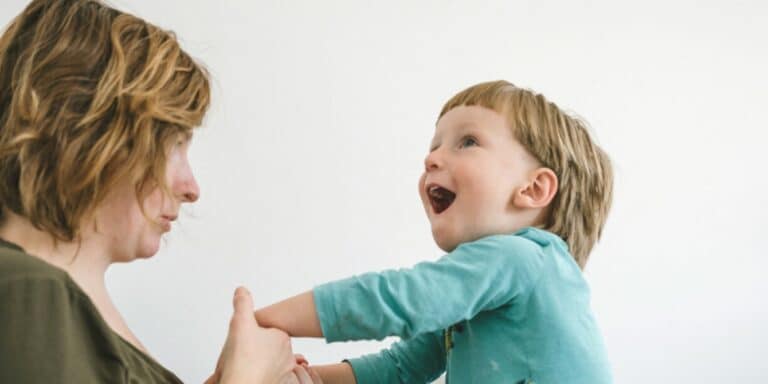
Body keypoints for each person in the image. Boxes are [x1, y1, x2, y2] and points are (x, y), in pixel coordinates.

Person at [0, 1, 317, 382]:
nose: (191, 188)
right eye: (173, 146)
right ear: (93, 134)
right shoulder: (27, 292)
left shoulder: (55, 303)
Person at [253, 80, 614, 383]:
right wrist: (313, 378)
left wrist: (262, 322)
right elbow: (402, 368)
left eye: (467, 141)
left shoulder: (521, 257)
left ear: (533, 190)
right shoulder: (491, 288)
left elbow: (401, 300)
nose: (431, 159)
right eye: (434, 146)